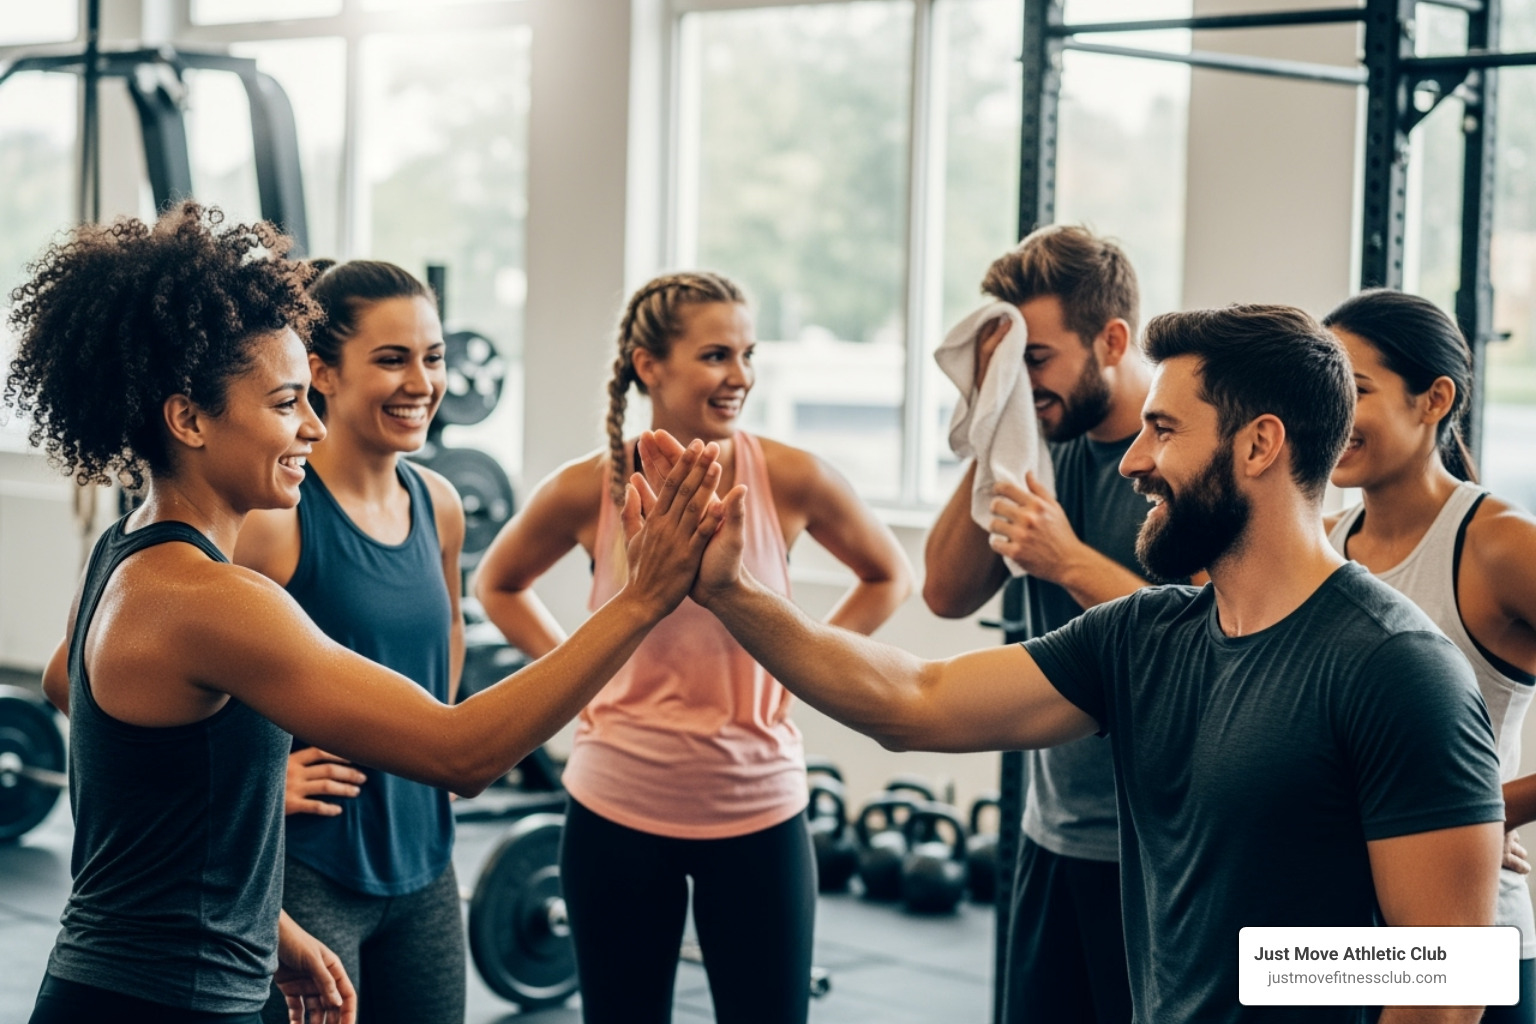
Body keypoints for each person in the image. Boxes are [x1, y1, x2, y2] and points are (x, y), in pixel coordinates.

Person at [646, 303, 1506, 1024]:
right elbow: (915, 699)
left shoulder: (1395, 667)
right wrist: (732, 592)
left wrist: (1276, 968)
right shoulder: (1146, 635)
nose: (1133, 460)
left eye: (1163, 431)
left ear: (1258, 446)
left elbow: (1450, 981)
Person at [5, 203, 727, 1024]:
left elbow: (128, 780)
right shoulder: (214, 601)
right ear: (189, 419)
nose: (313, 425)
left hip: (136, 982)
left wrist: (270, 929)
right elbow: (461, 752)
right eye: (286, 403)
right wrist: (642, 599)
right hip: (163, 1003)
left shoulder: (128, 551)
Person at [473, 270, 912, 1024]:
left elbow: (889, 574)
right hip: (617, 802)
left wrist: (804, 667)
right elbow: (499, 583)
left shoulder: (790, 477)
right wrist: (578, 681)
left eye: (747, 354)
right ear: (650, 365)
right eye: (716, 355)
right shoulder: (591, 486)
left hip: (759, 804)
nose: (739, 376)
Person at [923, 225, 1156, 1024]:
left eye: (1037, 359)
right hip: (1051, 829)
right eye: (1011, 366)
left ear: (1112, 341)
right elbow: (946, 592)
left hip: (1154, 852)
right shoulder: (1038, 449)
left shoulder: (1183, 460)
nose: (1025, 383)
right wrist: (997, 418)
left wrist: (1068, 561)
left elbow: (1208, 638)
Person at [230, 260, 468, 1024]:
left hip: (426, 862)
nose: (421, 383)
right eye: (393, 359)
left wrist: (435, 744)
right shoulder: (276, 522)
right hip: (308, 869)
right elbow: (124, 672)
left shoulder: (439, 503)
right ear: (323, 372)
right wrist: (254, 781)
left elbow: (447, 631)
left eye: (433, 357)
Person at [1323, 287, 1536, 1024]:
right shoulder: (1321, 544)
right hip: (1339, 940)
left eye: (1355, 390)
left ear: (1434, 399)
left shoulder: (1499, 544)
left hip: (1468, 938)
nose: (1331, 413)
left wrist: (1490, 812)